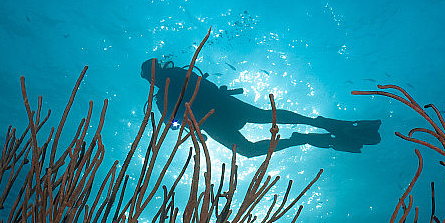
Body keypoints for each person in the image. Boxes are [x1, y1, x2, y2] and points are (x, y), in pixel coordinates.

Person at [141, 58, 381, 158]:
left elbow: (173, 122)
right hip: (218, 115)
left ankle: (312, 127)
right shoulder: (168, 88)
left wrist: (185, 124)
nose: (156, 77)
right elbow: (174, 121)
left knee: (266, 119)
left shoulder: (169, 85)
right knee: (253, 140)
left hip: (218, 112)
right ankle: (305, 133)